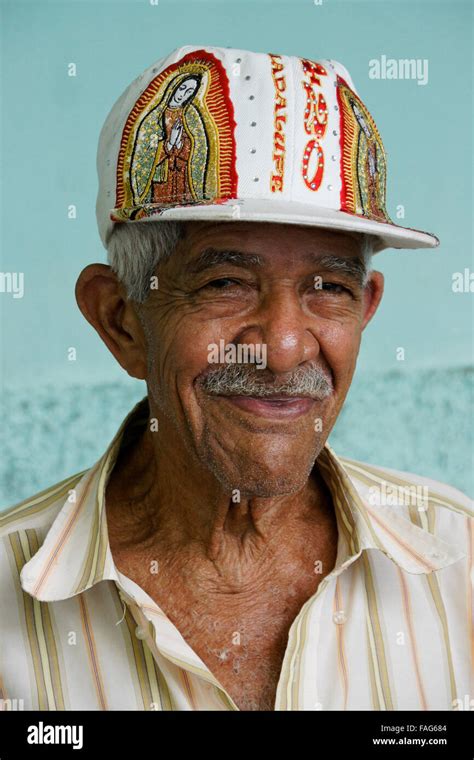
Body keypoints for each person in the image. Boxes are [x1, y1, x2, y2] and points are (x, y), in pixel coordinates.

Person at [0, 45, 471, 712]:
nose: (282, 349)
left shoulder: (462, 563)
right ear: (121, 321)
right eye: (224, 283)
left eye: (328, 287)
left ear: (365, 311)